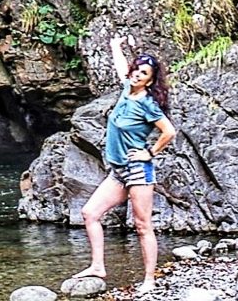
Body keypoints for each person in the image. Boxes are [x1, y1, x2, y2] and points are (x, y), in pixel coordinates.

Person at [73, 34, 177, 296]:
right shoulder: (125, 89)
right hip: (118, 170)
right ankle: (98, 266)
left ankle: (150, 280)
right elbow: (121, 68)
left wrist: (149, 153)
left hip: (138, 171)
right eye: (136, 70)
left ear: (150, 80)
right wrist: (114, 46)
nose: (137, 75)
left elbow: (169, 132)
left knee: (143, 226)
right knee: (90, 213)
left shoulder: (147, 104)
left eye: (143, 73)